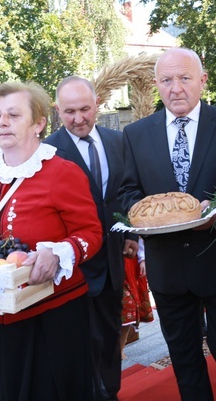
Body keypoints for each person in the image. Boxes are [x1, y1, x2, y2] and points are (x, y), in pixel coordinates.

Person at [118, 47, 216, 401]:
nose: (176, 88)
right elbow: (126, 193)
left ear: (202, 81)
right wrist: (145, 216)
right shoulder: (136, 134)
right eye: (167, 80)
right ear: (156, 85)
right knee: (183, 357)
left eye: (184, 78)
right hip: (168, 267)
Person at [0, 81, 103, 401]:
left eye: (13, 114)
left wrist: (59, 252)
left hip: (50, 318)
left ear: (38, 123)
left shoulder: (61, 171)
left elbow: (91, 233)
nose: (3, 122)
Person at [45, 75, 135, 400]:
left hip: (112, 262)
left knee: (109, 337)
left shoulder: (119, 140)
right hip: (73, 267)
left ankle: (110, 393)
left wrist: (132, 234)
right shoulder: (47, 153)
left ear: (98, 103)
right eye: (69, 111)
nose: (79, 118)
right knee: (80, 342)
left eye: (85, 108)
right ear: (57, 110)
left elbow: (125, 194)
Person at [119, 238, 153, 360]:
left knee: (129, 308)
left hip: (128, 259)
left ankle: (120, 348)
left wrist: (142, 258)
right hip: (102, 259)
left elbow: (136, 232)